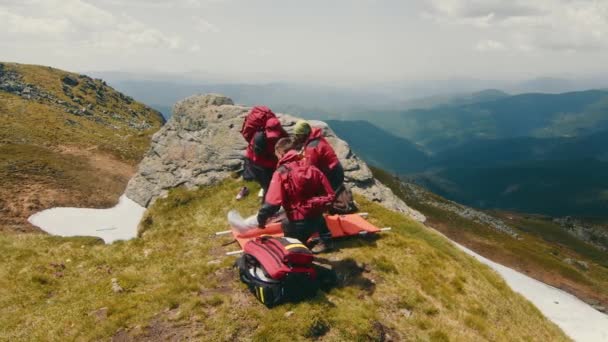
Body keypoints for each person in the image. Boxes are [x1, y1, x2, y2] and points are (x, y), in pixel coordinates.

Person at [257, 137, 335, 253]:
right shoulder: (312, 167)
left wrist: (261, 220)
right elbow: (329, 193)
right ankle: (326, 241)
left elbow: (272, 204)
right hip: (317, 217)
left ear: (281, 153)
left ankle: (300, 249)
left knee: (289, 241)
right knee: (315, 217)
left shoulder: (281, 172)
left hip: (298, 222)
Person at [240, 106, 288, 201]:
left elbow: (287, 144)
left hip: (268, 162)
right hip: (260, 163)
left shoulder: (281, 134)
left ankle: (270, 200)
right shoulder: (259, 138)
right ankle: (267, 206)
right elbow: (259, 156)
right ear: (266, 129)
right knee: (269, 186)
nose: (272, 137)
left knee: (271, 184)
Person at [292, 120, 344, 192]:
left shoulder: (312, 147)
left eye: (298, 135)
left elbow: (309, 170)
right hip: (336, 169)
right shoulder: (315, 137)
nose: (296, 137)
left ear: (304, 134)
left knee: (320, 195)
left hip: (332, 175)